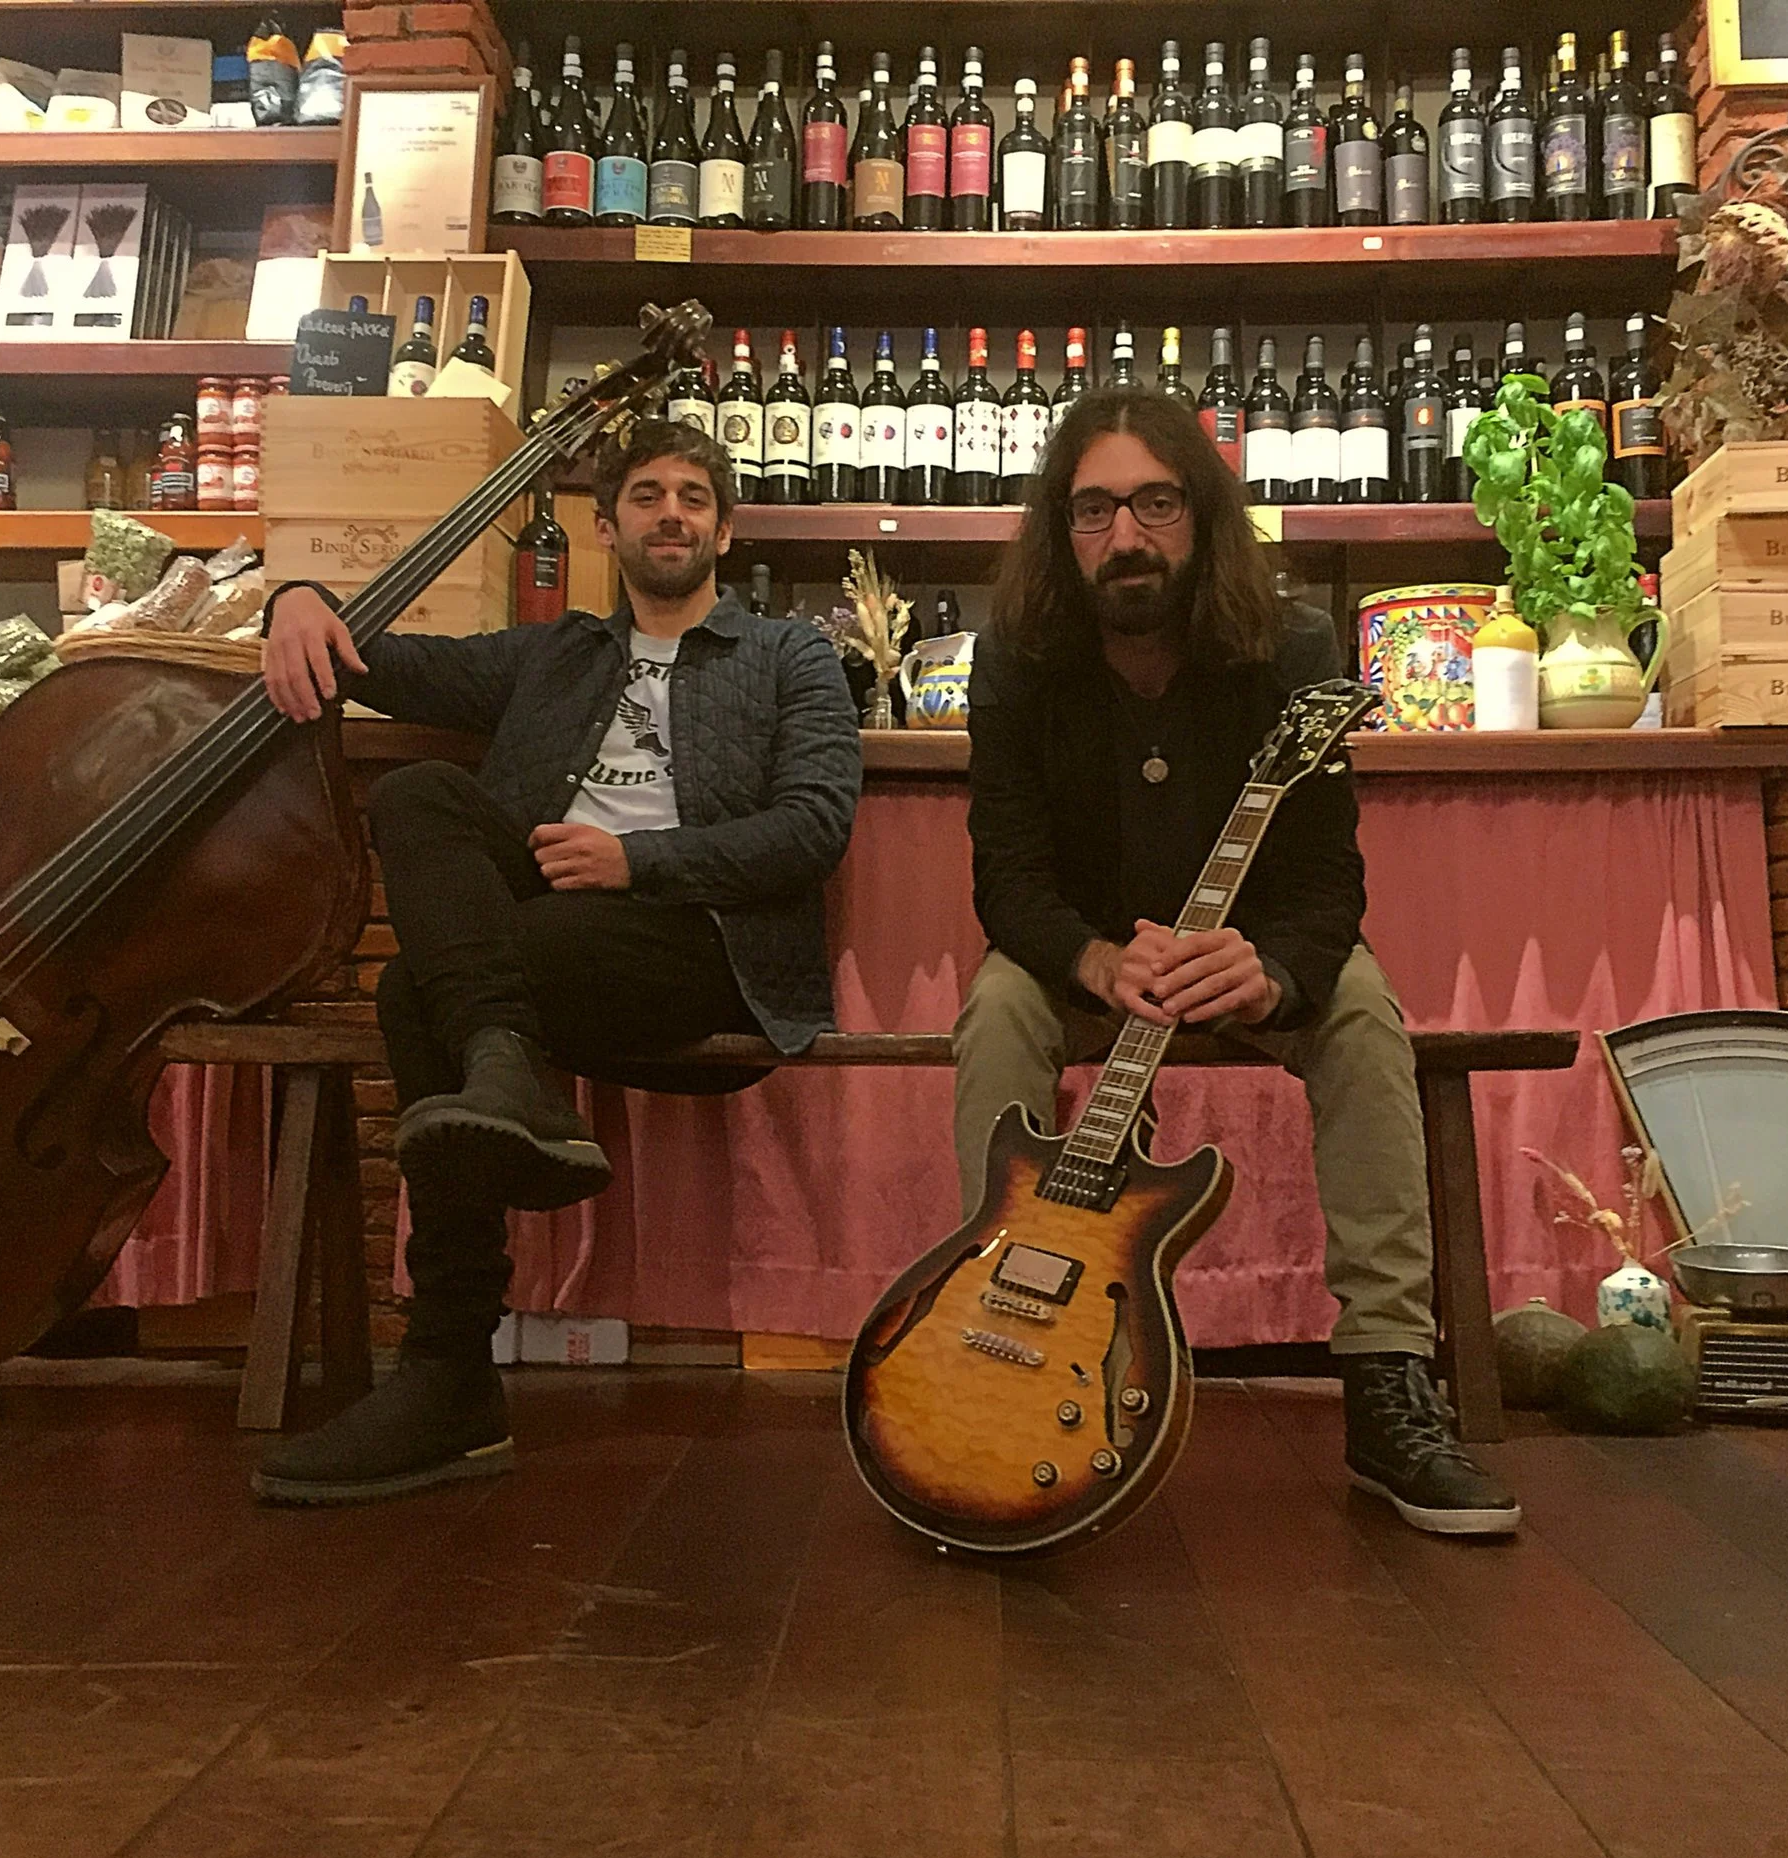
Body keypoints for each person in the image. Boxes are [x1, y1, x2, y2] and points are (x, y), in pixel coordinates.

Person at [251, 419, 861, 1505]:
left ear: (725, 530)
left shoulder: (787, 656)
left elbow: (814, 826)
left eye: (692, 498)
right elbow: (379, 661)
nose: (670, 514)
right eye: (646, 496)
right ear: (605, 527)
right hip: (540, 942)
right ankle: (501, 1064)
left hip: (699, 945)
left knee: (417, 989)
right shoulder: (553, 652)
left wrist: (638, 861)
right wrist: (291, 597)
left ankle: (447, 1372)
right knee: (418, 797)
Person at [954, 387, 1520, 1538]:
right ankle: (1001, 1345)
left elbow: (1327, 884)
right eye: (1094, 510)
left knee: (1361, 1014)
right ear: (1061, 529)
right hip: (1082, 959)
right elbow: (1007, 879)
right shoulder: (1015, 655)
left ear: (1203, 514)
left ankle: (1387, 1382)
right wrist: (1092, 961)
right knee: (995, 1014)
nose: (1125, 535)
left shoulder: (1293, 647)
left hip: (1247, 952)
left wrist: (1272, 973)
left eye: (1155, 503)